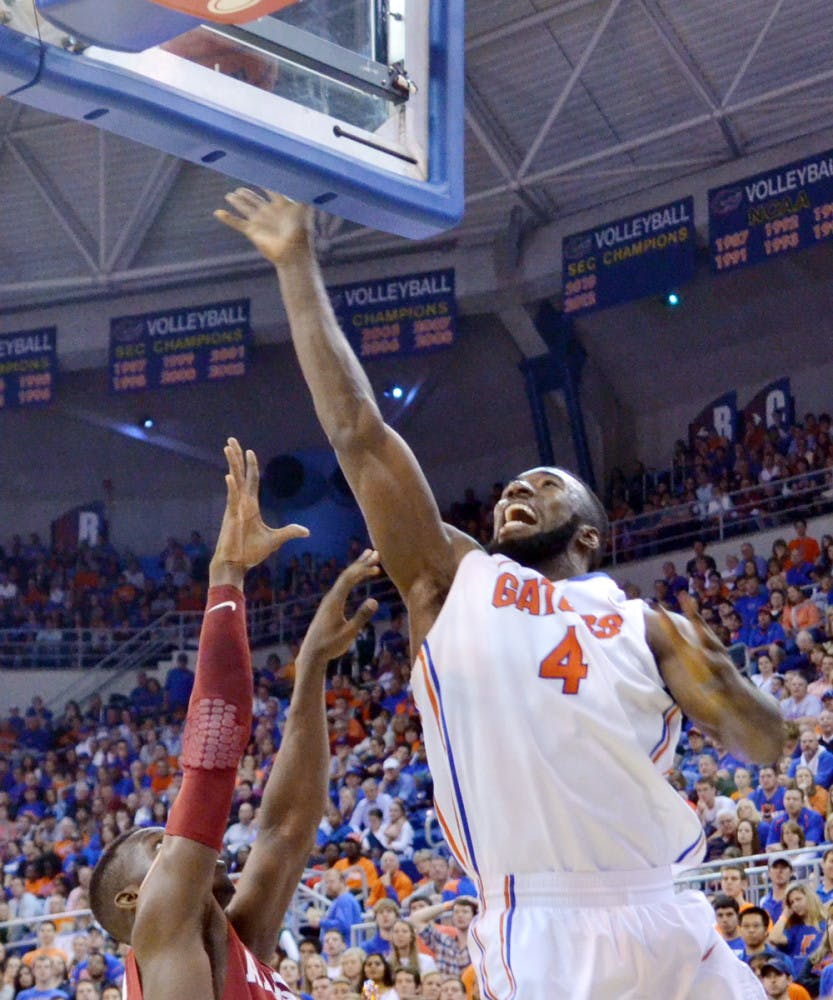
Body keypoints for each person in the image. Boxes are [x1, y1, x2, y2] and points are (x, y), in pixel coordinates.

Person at [216, 190, 784, 999]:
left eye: (545, 483)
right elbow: (358, 433)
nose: (519, 488)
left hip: (665, 907)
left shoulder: (646, 626)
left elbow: (761, 745)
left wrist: (740, 700)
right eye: (512, 484)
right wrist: (299, 266)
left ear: (588, 532)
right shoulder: (451, 580)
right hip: (540, 921)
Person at [87, 439, 381, 1000]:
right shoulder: (163, 926)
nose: (184, 842)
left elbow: (287, 832)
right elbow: (212, 758)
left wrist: (313, 665)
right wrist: (226, 575)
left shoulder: (228, 947)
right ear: (134, 898)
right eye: (160, 845)